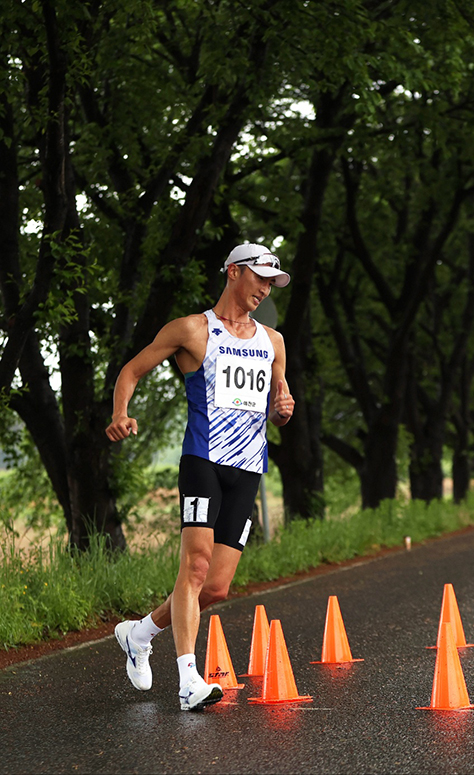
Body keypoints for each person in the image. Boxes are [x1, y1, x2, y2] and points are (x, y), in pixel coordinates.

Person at [105, 243, 293, 711]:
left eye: (272, 281)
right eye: (260, 276)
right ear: (233, 272)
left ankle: (140, 632)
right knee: (195, 567)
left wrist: (283, 410)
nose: (266, 288)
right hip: (203, 461)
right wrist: (120, 412)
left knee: (216, 587)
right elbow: (131, 370)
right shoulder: (192, 329)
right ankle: (189, 681)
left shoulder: (273, 341)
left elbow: (279, 403)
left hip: (248, 469)